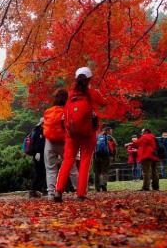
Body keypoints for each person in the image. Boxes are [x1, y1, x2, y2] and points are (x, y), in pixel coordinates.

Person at [54, 67, 107, 202]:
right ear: (89, 79)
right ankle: (81, 194)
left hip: (71, 133)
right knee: (85, 161)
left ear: (76, 79)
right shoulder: (93, 93)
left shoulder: (70, 95)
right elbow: (104, 103)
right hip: (88, 133)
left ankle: (58, 191)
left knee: (67, 161)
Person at [43, 89, 79, 200]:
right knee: (72, 167)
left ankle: (50, 194)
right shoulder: (68, 111)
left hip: (50, 143)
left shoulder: (48, 111)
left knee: (50, 168)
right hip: (65, 142)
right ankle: (79, 191)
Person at [26, 117, 46, 198]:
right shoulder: (39, 130)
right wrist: (37, 152)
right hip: (38, 154)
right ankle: (34, 191)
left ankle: (36, 190)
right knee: (39, 172)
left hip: (38, 154)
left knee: (40, 172)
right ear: (42, 123)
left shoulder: (36, 129)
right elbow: (37, 142)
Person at [93, 126, 117, 192]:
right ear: (108, 131)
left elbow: (92, 147)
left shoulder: (97, 137)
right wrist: (113, 157)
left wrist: (93, 156)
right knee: (105, 171)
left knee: (97, 172)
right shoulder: (110, 138)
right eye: (111, 131)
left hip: (96, 156)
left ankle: (97, 188)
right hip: (106, 156)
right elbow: (114, 148)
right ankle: (103, 183)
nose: (111, 132)